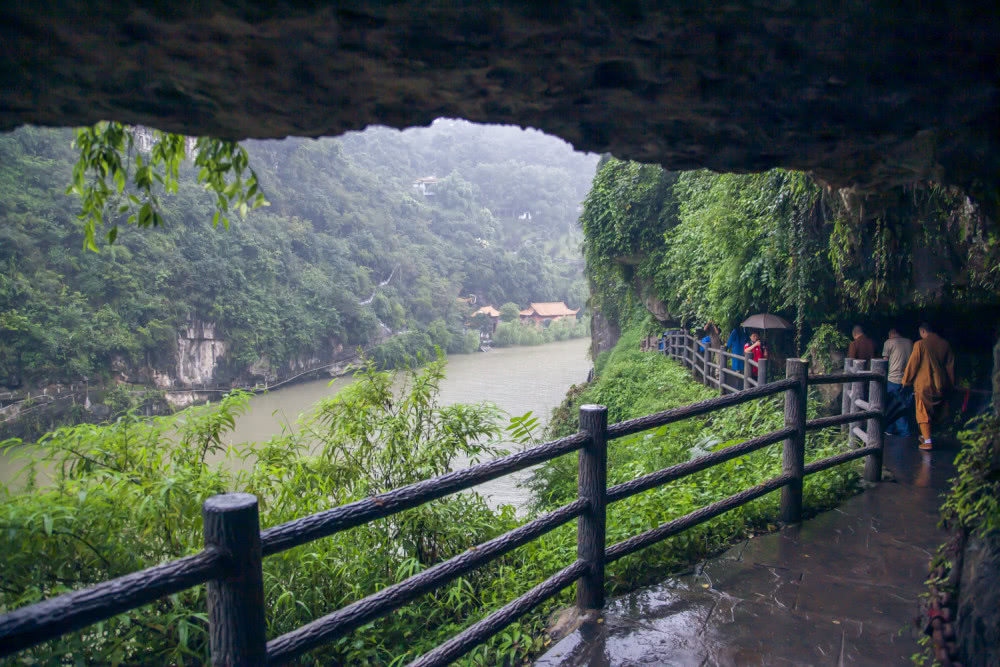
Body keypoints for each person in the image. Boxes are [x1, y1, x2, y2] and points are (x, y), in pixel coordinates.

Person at [902, 322, 955, 450]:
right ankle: (924, 436)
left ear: (923, 331)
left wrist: (906, 381)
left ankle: (928, 441)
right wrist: (950, 384)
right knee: (936, 411)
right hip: (941, 384)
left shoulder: (920, 344)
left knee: (922, 412)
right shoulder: (945, 344)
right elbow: (950, 367)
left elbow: (913, 364)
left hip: (924, 383)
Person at [881, 328, 913, 436]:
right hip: (907, 379)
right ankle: (891, 429)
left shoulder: (888, 342)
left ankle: (903, 431)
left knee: (892, 405)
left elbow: (884, 362)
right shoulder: (909, 342)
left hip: (893, 379)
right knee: (904, 404)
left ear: (891, 335)